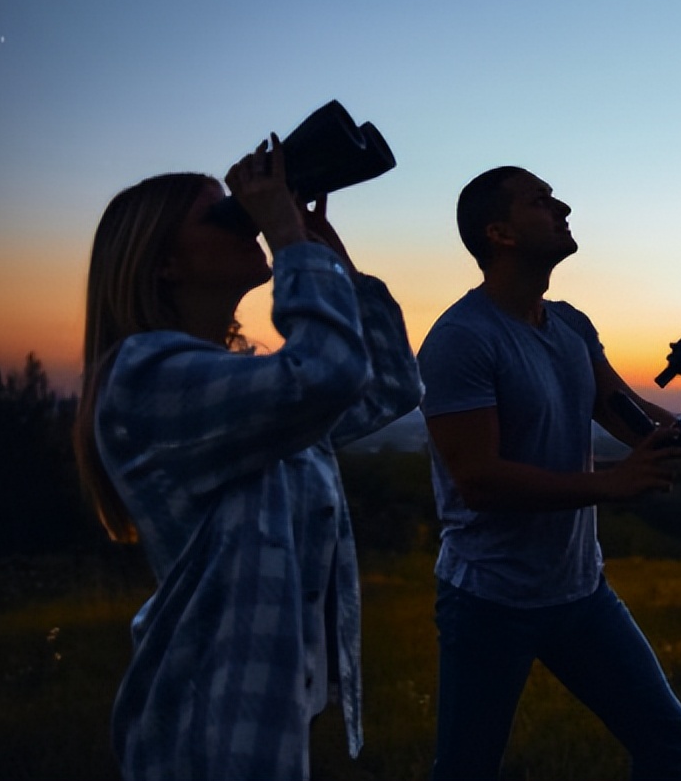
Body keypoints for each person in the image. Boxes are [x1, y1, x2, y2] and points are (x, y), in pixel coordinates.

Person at [71, 136, 422, 781]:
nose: (250, 223)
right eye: (224, 216)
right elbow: (327, 371)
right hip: (204, 723)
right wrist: (287, 241)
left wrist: (330, 263)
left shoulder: (240, 389)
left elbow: (389, 386)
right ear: (165, 263)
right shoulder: (144, 379)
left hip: (261, 715)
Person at [418, 166, 681, 781]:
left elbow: (625, 416)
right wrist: (609, 483)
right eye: (542, 201)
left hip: (578, 593)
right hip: (490, 598)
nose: (563, 207)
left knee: (666, 737)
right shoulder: (460, 339)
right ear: (500, 234)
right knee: (467, 770)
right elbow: (479, 479)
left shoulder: (570, 324)